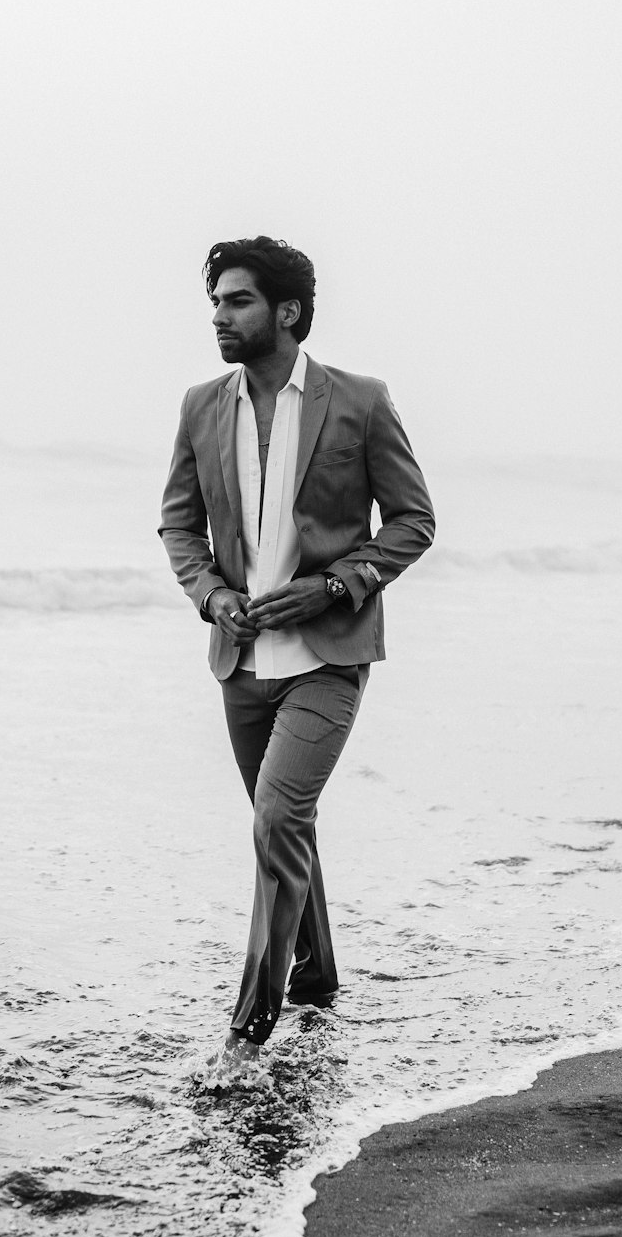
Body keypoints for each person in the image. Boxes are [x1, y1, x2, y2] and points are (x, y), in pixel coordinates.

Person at [159, 235, 434, 1069]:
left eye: (237, 300)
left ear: (286, 311)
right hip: (241, 663)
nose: (219, 316)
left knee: (279, 816)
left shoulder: (360, 400)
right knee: (286, 826)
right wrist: (213, 596)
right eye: (215, 302)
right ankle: (316, 975)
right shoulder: (201, 406)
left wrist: (335, 585)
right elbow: (179, 525)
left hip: (329, 653)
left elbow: (413, 521)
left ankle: (249, 1026)